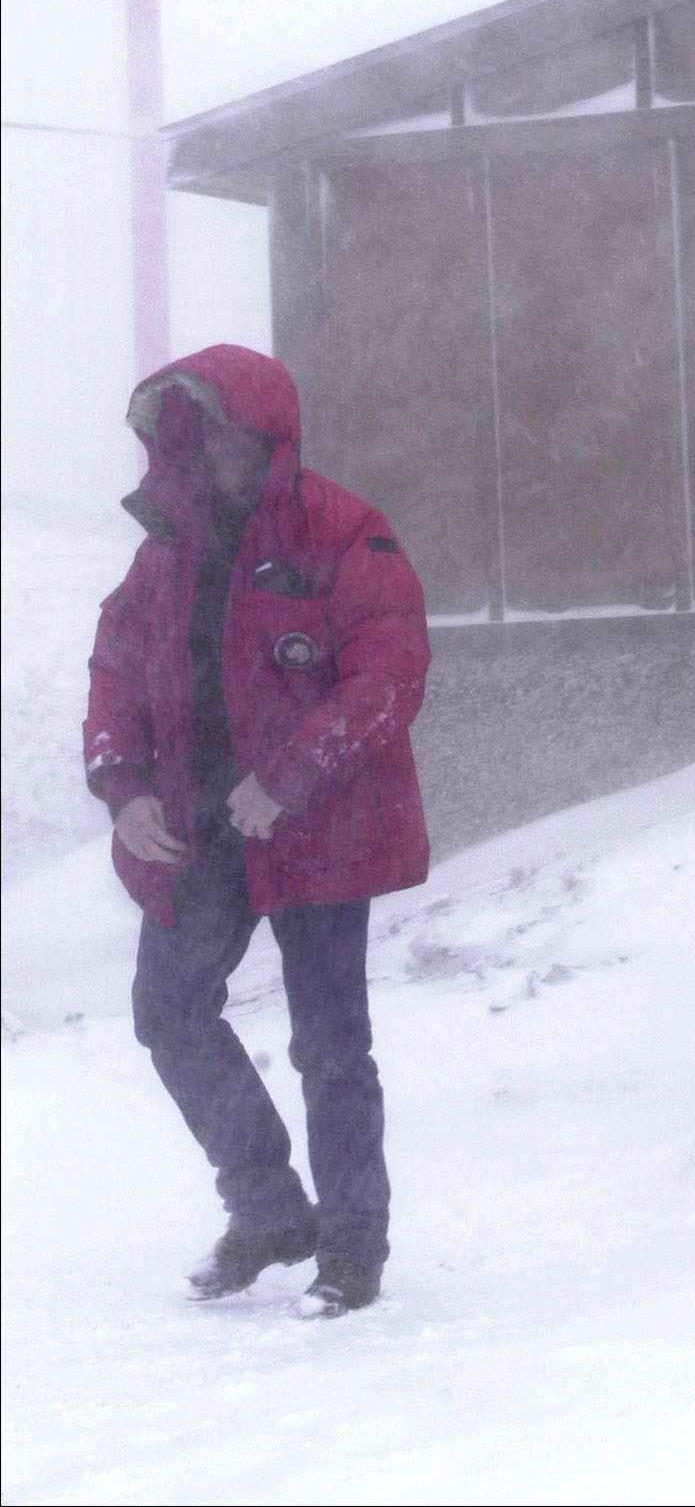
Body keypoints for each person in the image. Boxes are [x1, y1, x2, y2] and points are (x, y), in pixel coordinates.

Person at [84, 344, 431, 1313]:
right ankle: (271, 1207)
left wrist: (289, 777)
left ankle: (353, 1249)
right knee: (168, 1012)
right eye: (196, 433)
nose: (214, 449)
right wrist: (125, 789)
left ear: (269, 433)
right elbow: (112, 674)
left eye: (229, 429)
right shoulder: (164, 554)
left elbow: (388, 678)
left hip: (324, 827)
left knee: (330, 1044)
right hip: (196, 831)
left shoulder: (344, 533)